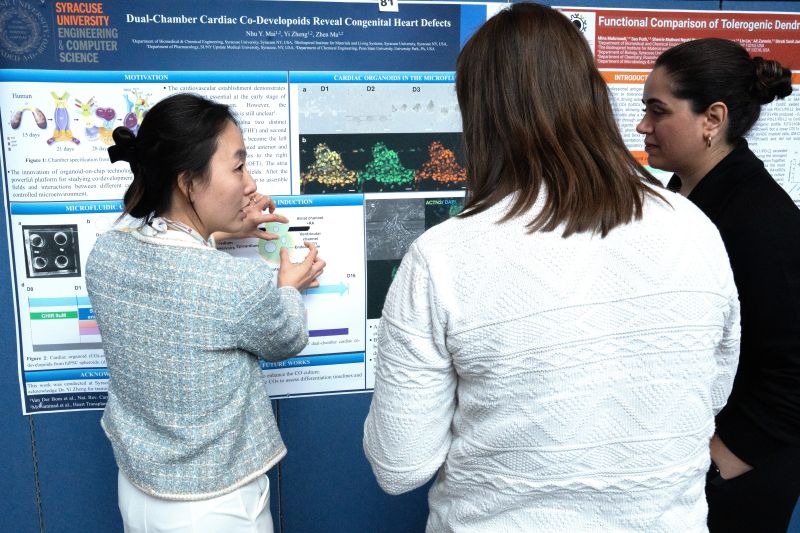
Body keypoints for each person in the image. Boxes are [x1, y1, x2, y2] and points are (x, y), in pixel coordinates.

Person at [363, 4, 740, 531]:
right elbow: (711, 391)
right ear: (590, 94)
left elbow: (400, 464)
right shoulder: (694, 228)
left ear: (481, 114)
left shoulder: (445, 256)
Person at [85, 93, 325, 533]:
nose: (250, 183)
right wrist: (288, 287)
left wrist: (224, 223)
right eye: (238, 167)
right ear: (187, 182)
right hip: (215, 506)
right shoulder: (235, 284)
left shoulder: (106, 252)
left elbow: (180, 264)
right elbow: (286, 337)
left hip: (138, 491)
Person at [637, 38, 800, 532]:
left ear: (713, 118)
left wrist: (715, 465)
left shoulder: (760, 219)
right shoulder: (686, 195)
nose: (643, 125)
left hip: (735, 482)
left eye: (657, 111)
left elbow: (793, 374)